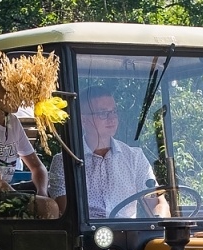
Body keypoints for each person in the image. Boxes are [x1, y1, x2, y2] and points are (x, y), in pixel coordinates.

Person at [49, 83, 164, 218]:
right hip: (86, 236)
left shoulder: (135, 157)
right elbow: (68, 214)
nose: (112, 118)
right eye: (103, 113)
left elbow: (157, 201)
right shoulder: (64, 162)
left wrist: (159, 221)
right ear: (83, 119)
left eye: (114, 111)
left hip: (130, 235)